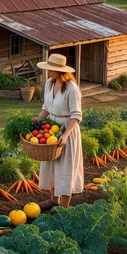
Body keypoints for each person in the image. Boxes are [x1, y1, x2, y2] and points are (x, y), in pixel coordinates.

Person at [34, 54, 84, 210]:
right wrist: (39, 119)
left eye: (51, 70)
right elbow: (46, 107)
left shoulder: (71, 88)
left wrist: (65, 134)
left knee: (65, 166)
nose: (48, 73)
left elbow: (76, 115)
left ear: (60, 71)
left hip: (67, 129)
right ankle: (53, 199)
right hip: (51, 128)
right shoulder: (49, 83)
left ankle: (63, 206)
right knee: (52, 164)